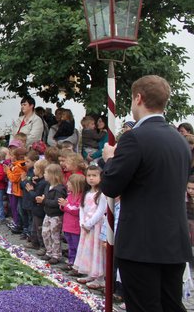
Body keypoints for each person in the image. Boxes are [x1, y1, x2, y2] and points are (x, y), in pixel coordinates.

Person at [100, 75, 193, 311]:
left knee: (143, 306)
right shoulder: (179, 140)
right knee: (171, 304)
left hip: (141, 243)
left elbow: (111, 186)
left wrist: (109, 160)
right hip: (174, 241)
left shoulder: (135, 138)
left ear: (138, 98)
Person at [74, 165, 106, 289]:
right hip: (86, 226)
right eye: (89, 175)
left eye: (94, 176)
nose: (91, 178)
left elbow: (100, 211)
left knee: (96, 250)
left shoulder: (101, 194)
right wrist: (82, 222)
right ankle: (89, 272)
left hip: (96, 226)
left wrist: (89, 223)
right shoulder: (86, 193)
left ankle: (99, 277)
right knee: (87, 249)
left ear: (100, 177)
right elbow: (82, 208)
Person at [37, 163, 67, 265]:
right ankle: (49, 251)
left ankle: (56, 254)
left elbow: (56, 203)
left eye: (46, 173)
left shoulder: (59, 189)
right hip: (48, 213)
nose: (44, 174)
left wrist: (44, 201)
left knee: (55, 235)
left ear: (52, 175)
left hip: (56, 215)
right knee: (45, 233)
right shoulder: (48, 186)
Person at [58, 173, 86, 272]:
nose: (67, 185)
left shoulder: (81, 197)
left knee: (76, 246)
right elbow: (65, 206)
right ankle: (71, 261)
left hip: (75, 227)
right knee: (70, 245)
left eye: (69, 184)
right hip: (67, 225)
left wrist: (65, 205)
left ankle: (77, 264)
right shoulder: (70, 195)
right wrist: (63, 205)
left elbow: (76, 210)